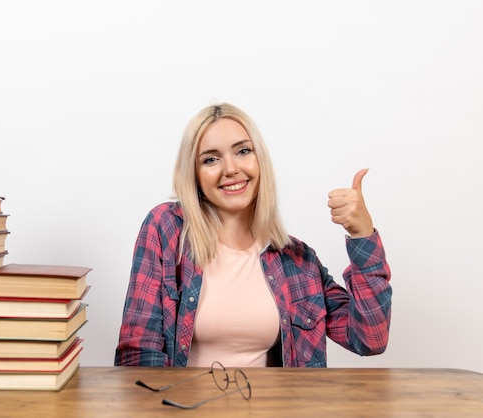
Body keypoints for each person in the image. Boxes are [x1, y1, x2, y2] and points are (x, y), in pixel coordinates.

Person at [114, 102, 392, 368]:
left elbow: (370, 338)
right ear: (194, 174)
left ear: (260, 161)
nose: (231, 168)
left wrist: (361, 234)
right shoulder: (166, 229)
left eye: (243, 151)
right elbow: (139, 353)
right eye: (211, 159)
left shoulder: (297, 260)